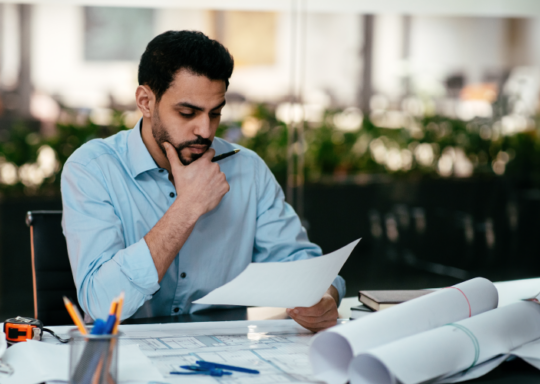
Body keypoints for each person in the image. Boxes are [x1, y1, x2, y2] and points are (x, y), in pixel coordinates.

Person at [62, 30, 345, 332]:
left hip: (226, 357)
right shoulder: (92, 169)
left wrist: (325, 295)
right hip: (124, 359)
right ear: (145, 101)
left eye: (216, 113)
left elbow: (300, 262)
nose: (205, 130)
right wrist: (187, 208)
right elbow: (100, 304)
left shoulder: (247, 169)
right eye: (187, 113)